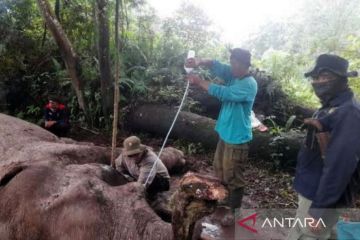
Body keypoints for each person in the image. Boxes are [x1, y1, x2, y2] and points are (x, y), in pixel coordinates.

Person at [287, 54, 360, 239]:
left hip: (319, 195)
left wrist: (318, 210)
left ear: (342, 79)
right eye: (316, 77)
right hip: (312, 187)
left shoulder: (348, 113)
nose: (319, 82)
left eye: (326, 76)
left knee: (305, 234)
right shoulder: (330, 106)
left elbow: (340, 167)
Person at [185, 48, 258, 225]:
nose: (231, 67)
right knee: (220, 170)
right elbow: (218, 66)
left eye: (234, 64)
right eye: (231, 63)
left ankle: (234, 212)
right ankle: (224, 201)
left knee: (234, 176)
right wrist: (199, 61)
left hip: (237, 139)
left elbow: (225, 93)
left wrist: (199, 81)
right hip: (225, 135)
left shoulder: (248, 84)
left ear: (243, 65)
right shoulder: (234, 75)